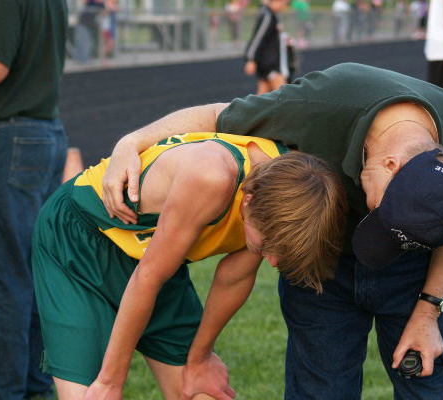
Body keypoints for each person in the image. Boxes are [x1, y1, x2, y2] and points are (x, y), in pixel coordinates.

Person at [101, 63, 443, 399]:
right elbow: (217, 115)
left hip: (418, 274)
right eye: (381, 213)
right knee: (319, 391)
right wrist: (130, 143)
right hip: (322, 262)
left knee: (431, 387)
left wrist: (428, 309)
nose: (379, 227)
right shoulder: (324, 101)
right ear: (390, 164)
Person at [32, 132, 347, 400]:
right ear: (247, 200)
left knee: (202, 391)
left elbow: (233, 278)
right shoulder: (211, 175)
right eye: (264, 247)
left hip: (152, 255)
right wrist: (111, 380)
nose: (272, 260)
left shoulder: (290, 189)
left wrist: (200, 358)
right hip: (79, 240)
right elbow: (148, 277)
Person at [0, 0, 68, 398]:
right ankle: (29, 381)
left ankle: (0, 391)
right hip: (41, 133)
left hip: (3, 141)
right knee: (29, 270)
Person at [244, 0, 290, 94]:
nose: (285, 6)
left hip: (269, 64)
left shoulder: (272, 15)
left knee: (261, 101)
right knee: (285, 97)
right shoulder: (268, 16)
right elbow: (258, 38)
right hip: (269, 66)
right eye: (285, 3)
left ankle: (254, 109)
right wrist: (251, 59)